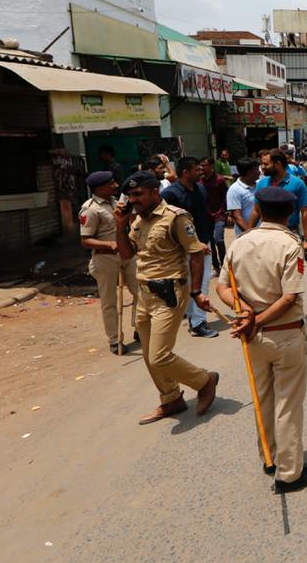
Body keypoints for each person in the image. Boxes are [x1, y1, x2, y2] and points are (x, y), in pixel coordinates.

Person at [216, 187, 307, 493]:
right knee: (288, 404)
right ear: (289, 214)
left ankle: (270, 457)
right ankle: (290, 474)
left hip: (252, 337)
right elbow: (290, 297)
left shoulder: (240, 243)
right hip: (284, 333)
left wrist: (244, 312)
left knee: (263, 399)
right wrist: (256, 318)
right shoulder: (290, 245)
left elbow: (223, 287)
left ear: (259, 211)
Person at [114, 171, 220, 425]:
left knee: (159, 355)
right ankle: (171, 398)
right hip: (144, 294)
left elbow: (196, 254)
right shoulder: (138, 221)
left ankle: (204, 381)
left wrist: (196, 292)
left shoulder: (175, 217)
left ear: (154, 192)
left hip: (169, 293)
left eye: (138, 194)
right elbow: (127, 255)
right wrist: (120, 225)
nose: (133, 200)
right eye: (130, 196)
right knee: (150, 355)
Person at [80, 171, 139, 353]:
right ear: (100, 188)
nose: (115, 185)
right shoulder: (90, 209)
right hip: (105, 258)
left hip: (127, 255)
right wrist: (109, 243)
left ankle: (139, 327)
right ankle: (115, 339)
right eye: (111, 183)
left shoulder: (116, 202)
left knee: (142, 291)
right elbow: (85, 240)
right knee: (109, 301)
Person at [161, 157, 217, 338]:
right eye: (197, 170)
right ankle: (193, 317)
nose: (201, 172)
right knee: (187, 283)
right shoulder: (170, 194)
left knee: (202, 282)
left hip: (204, 242)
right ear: (186, 172)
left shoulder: (200, 188)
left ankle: (198, 321)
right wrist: (193, 243)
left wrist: (205, 239)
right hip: (183, 247)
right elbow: (166, 222)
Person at [250, 150, 307, 258]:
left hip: (291, 233)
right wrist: (248, 233)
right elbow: (256, 210)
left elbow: (305, 212)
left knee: (291, 269)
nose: (262, 167)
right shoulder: (262, 184)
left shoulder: (297, 184)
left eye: (266, 164)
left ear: (277, 164)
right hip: (266, 234)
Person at [200, 157, 228, 276]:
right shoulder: (199, 182)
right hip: (206, 217)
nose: (202, 168)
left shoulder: (220, 180)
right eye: (201, 165)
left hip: (219, 215)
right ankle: (216, 267)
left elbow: (226, 196)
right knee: (210, 242)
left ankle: (225, 265)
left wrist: (228, 212)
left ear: (211, 166)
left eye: (205, 165)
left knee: (218, 239)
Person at [227, 157, 260, 237]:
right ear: (250, 172)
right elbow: (237, 217)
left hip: (261, 235)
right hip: (246, 237)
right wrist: (249, 235)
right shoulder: (234, 190)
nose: (259, 172)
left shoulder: (260, 185)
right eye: (257, 170)